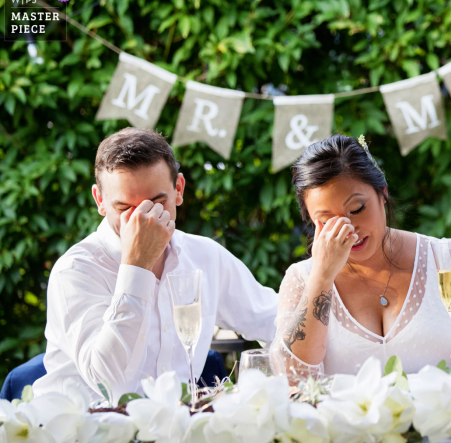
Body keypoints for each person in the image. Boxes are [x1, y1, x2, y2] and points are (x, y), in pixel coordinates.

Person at [33, 128, 278, 400]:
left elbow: (275, 322)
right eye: (125, 208)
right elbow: (110, 385)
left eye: (156, 202)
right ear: (100, 201)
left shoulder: (205, 256)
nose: (143, 219)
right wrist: (137, 265)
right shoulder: (76, 270)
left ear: (179, 190)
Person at [271, 135, 451, 376]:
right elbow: (291, 375)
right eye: (327, 221)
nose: (347, 229)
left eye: (357, 209)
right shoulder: (301, 279)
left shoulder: (446, 258)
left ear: (383, 193)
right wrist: (322, 277)